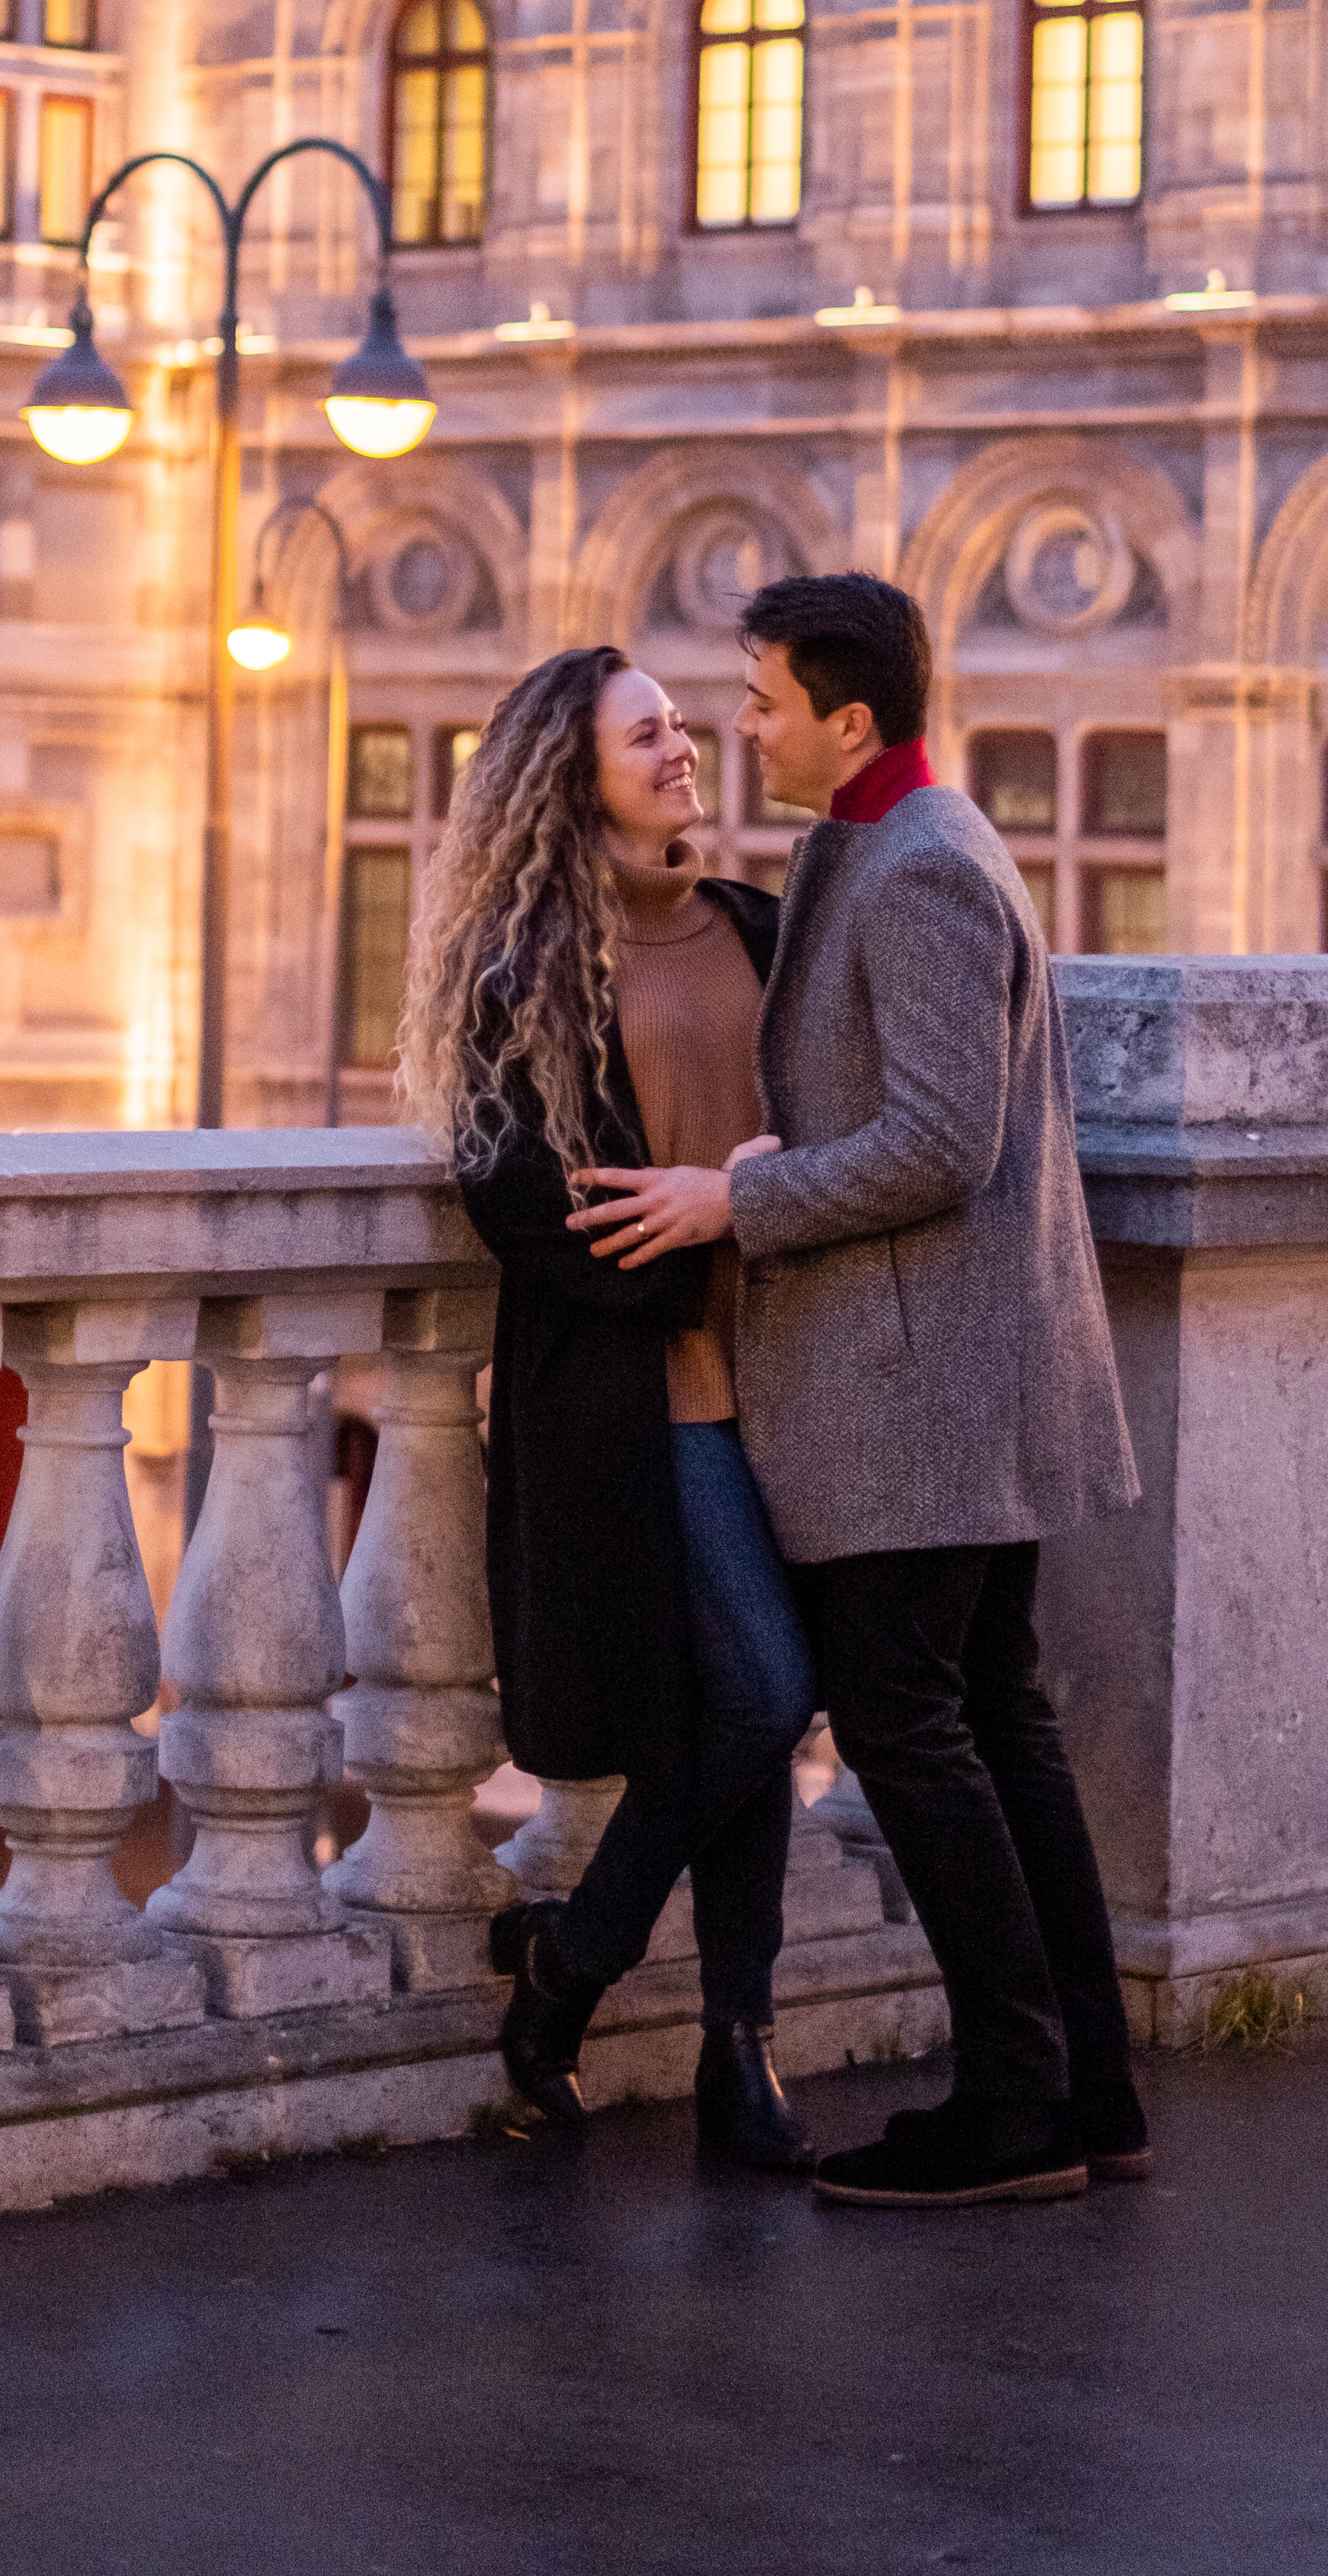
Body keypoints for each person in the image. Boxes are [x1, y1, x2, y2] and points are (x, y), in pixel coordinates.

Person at [574, 568, 1147, 2212]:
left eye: (757, 702)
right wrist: (788, 1151)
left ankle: (1017, 2103)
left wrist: (732, 1198)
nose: (736, 728)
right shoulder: (891, 844)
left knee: (915, 1726)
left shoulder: (918, 872)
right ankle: (1087, 2089)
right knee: (994, 1721)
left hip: (917, 1392)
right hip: (951, 1378)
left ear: (848, 718)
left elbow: (939, 1144)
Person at [399, 641, 819, 2175]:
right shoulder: (523, 976)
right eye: (646, 735)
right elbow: (510, 1191)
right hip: (644, 1397)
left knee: (746, 1718)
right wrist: (678, 1245)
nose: (683, 750)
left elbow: (829, 1133)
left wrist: (756, 1194)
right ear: (568, 775)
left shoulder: (762, 930)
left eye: (683, 729)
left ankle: (727, 2047)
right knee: (762, 1698)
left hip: (788, 1375)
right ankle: (578, 1969)